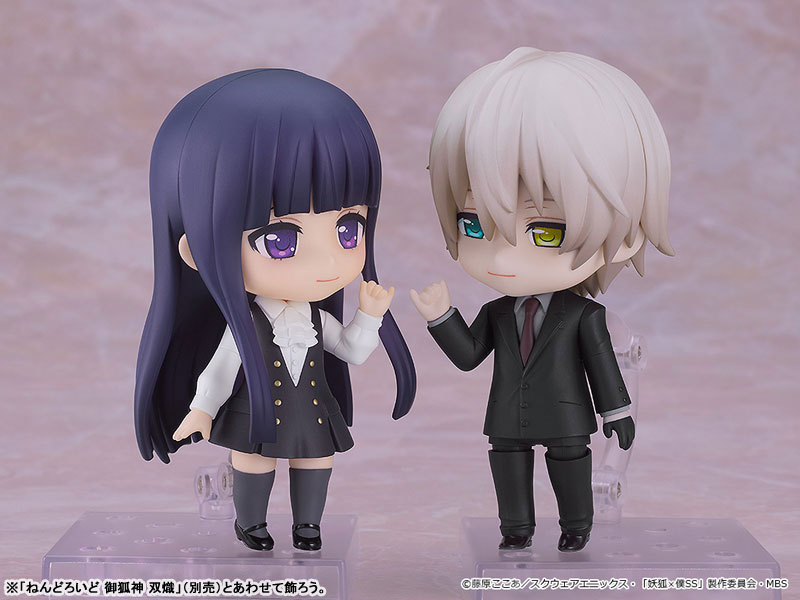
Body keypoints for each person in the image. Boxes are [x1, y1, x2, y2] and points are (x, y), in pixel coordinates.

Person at [135, 69, 416, 552]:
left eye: (348, 229)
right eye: (280, 239)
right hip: (255, 413)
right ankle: (251, 523)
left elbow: (352, 351)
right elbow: (220, 371)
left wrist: (369, 315)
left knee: (317, 461)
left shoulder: (316, 319)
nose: (327, 263)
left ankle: (308, 525)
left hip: (311, 411)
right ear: (196, 250)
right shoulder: (245, 327)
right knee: (254, 460)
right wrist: (202, 410)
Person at [410, 48, 672, 552]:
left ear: (625, 235)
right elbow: (469, 356)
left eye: (546, 231)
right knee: (508, 467)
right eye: (474, 224)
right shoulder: (496, 312)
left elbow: (602, 365)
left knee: (570, 467)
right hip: (507, 416)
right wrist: (441, 317)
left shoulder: (584, 316)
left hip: (568, 416)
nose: (502, 255)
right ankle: (516, 529)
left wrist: (617, 412)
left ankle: (577, 526)